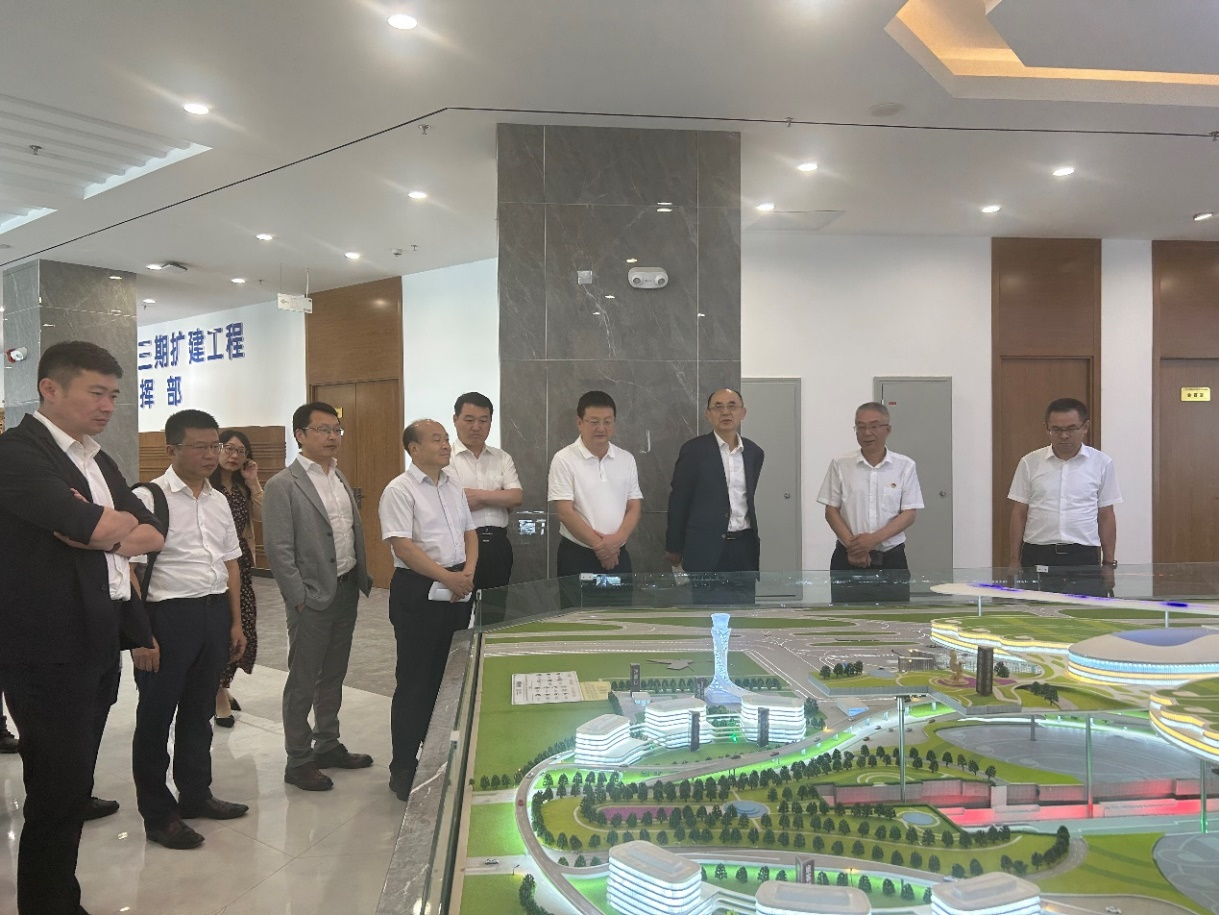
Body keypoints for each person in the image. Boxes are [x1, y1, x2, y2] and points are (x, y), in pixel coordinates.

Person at [0, 340, 164, 913]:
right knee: (55, 791)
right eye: (96, 393)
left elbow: (151, 530)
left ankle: (60, 899)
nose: (107, 406)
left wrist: (105, 533)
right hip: (46, 647)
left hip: (98, 635)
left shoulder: (95, 457)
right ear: (49, 388)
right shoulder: (17, 453)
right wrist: (107, 528)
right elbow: (84, 523)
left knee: (73, 785)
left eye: (113, 395)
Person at [131, 409, 250, 850]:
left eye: (214, 445)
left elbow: (230, 563)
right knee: (155, 718)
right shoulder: (147, 498)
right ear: (172, 449)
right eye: (199, 446)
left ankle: (196, 794)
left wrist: (235, 622)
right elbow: (130, 570)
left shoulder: (218, 500)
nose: (210, 454)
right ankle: (159, 815)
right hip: (167, 618)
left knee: (199, 713)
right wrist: (141, 636)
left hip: (213, 614)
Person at [264, 401, 374, 792]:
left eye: (336, 430)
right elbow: (278, 549)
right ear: (300, 435)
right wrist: (298, 597)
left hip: (345, 588)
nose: (332, 437)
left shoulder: (338, 475)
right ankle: (298, 759)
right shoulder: (283, 485)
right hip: (311, 598)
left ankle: (327, 743)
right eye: (322, 429)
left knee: (334, 674)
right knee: (303, 679)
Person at [378, 419, 478, 801]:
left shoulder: (452, 484)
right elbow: (403, 547)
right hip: (419, 589)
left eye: (446, 439)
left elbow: (470, 532)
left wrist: (466, 573)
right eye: (436, 439)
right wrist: (446, 577)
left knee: (448, 678)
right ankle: (403, 767)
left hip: (456, 586)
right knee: (416, 681)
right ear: (414, 449)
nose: (445, 444)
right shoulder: (399, 490)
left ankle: (438, 757)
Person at [1008, 397, 1121, 596]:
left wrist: (1108, 563)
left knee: (1082, 612)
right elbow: (1019, 513)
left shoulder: (1102, 463)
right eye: (1057, 429)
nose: (1064, 435)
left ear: (1085, 427)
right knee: (1036, 610)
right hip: (1038, 552)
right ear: (1047, 429)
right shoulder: (1030, 462)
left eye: (1071, 428)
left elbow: (1106, 515)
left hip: (1082, 554)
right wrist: (1013, 559)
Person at [665, 388, 765, 602]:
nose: (725, 412)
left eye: (732, 406)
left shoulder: (754, 452)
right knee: (707, 612)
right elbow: (679, 500)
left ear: (743, 412)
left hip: (744, 547)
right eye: (718, 407)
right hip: (705, 547)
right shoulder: (694, 451)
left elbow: (746, 499)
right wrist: (674, 546)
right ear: (708, 414)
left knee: (745, 612)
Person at [818, 402, 924, 603]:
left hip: (891, 558)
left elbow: (909, 514)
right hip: (847, 557)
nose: (867, 433)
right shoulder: (841, 464)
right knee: (846, 618)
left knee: (894, 618)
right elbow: (831, 510)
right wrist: (855, 548)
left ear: (888, 429)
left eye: (874, 426)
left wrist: (872, 540)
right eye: (861, 427)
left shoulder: (905, 466)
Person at [548, 391, 643, 607]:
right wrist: (600, 546)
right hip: (578, 555)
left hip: (618, 554)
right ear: (580, 422)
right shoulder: (564, 459)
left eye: (607, 422)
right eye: (594, 422)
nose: (601, 428)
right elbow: (565, 512)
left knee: (619, 617)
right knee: (579, 618)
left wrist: (615, 542)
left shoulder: (626, 459)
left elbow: (634, 506)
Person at [448, 392, 522, 623]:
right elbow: (451, 504)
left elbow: (516, 497)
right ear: (455, 420)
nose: (476, 427)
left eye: (483, 420)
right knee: (457, 613)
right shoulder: (445, 458)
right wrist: (498, 496)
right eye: (469, 420)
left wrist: (477, 496)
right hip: (458, 545)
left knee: (494, 613)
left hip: (497, 544)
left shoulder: (502, 458)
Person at [209, 429, 262, 727]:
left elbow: (264, 516)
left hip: (240, 566)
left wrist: (253, 481)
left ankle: (223, 686)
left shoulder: (241, 488)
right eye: (228, 448)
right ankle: (219, 694)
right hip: (214, 566)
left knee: (243, 628)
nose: (234, 456)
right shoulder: (205, 487)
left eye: (241, 451)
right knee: (221, 629)